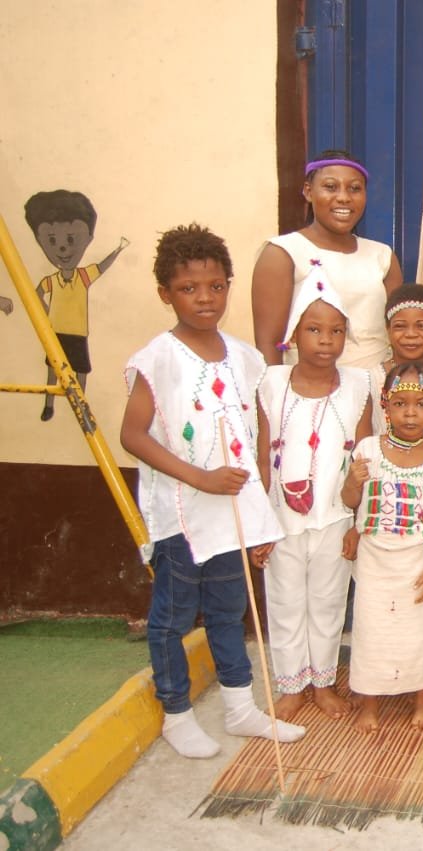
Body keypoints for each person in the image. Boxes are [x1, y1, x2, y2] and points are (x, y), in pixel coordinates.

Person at [120, 223, 304, 758]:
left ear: (228, 285)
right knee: (173, 618)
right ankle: (175, 712)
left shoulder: (245, 358)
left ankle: (241, 708)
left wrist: (263, 508)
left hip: (234, 516)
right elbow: (132, 435)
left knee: (229, 611)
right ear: (165, 294)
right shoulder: (156, 358)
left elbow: (261, 435)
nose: (205, 298)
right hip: (181, 514)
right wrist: (200, 478)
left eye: (216, 286)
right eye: (189, 289)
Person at [257, 264, 373, 720]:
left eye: (336, 331)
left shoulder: (360, 386)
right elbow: (262, 457)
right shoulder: (270, 383)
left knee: (327, 602)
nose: (326, 340)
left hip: (336, 518)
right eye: (313, 329)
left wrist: (359, 524)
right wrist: (259, 525)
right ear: (294, 334)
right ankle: (291, 683)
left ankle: (323, 681)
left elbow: (365, 460)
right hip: (281, 518)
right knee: (284, 600)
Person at [342, 361, 423, 732]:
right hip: (374, 560)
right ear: (386, 407)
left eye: (420, 405)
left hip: (416, 560)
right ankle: (369, 704)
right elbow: (348, 501)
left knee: (416, 631)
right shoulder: (368, 449)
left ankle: (420, 699)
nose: (410, 413)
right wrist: (354, 483)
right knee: (372, 632)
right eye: (401, 403)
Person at [252, 150, 404, 372]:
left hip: (377, 390)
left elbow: (401, 331)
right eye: (331, 187)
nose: (344, 197)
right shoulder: (283, 253)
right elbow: (268, 343)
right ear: (308, 191)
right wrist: (275, 396)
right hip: (308, 393)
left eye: (355, 188)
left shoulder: (382, 256)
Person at [24, 189, 128, 421]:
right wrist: (45, 311)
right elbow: (36, 293)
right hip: (56, 331)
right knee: (53, 369)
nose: (62, 248)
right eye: (52, 240)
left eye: (71, 239)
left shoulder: (83, 276)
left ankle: (80, 403)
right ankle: (49, 404)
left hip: (78, 333)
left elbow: (101, 267)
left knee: (81, 370)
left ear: (88, 239)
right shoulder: (52, 280)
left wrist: (118, 250)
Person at [371, 283, 423, 435]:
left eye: (422, 326)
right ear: (388, 329)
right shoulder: (370, 380)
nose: (411, 334)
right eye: (400, 326)